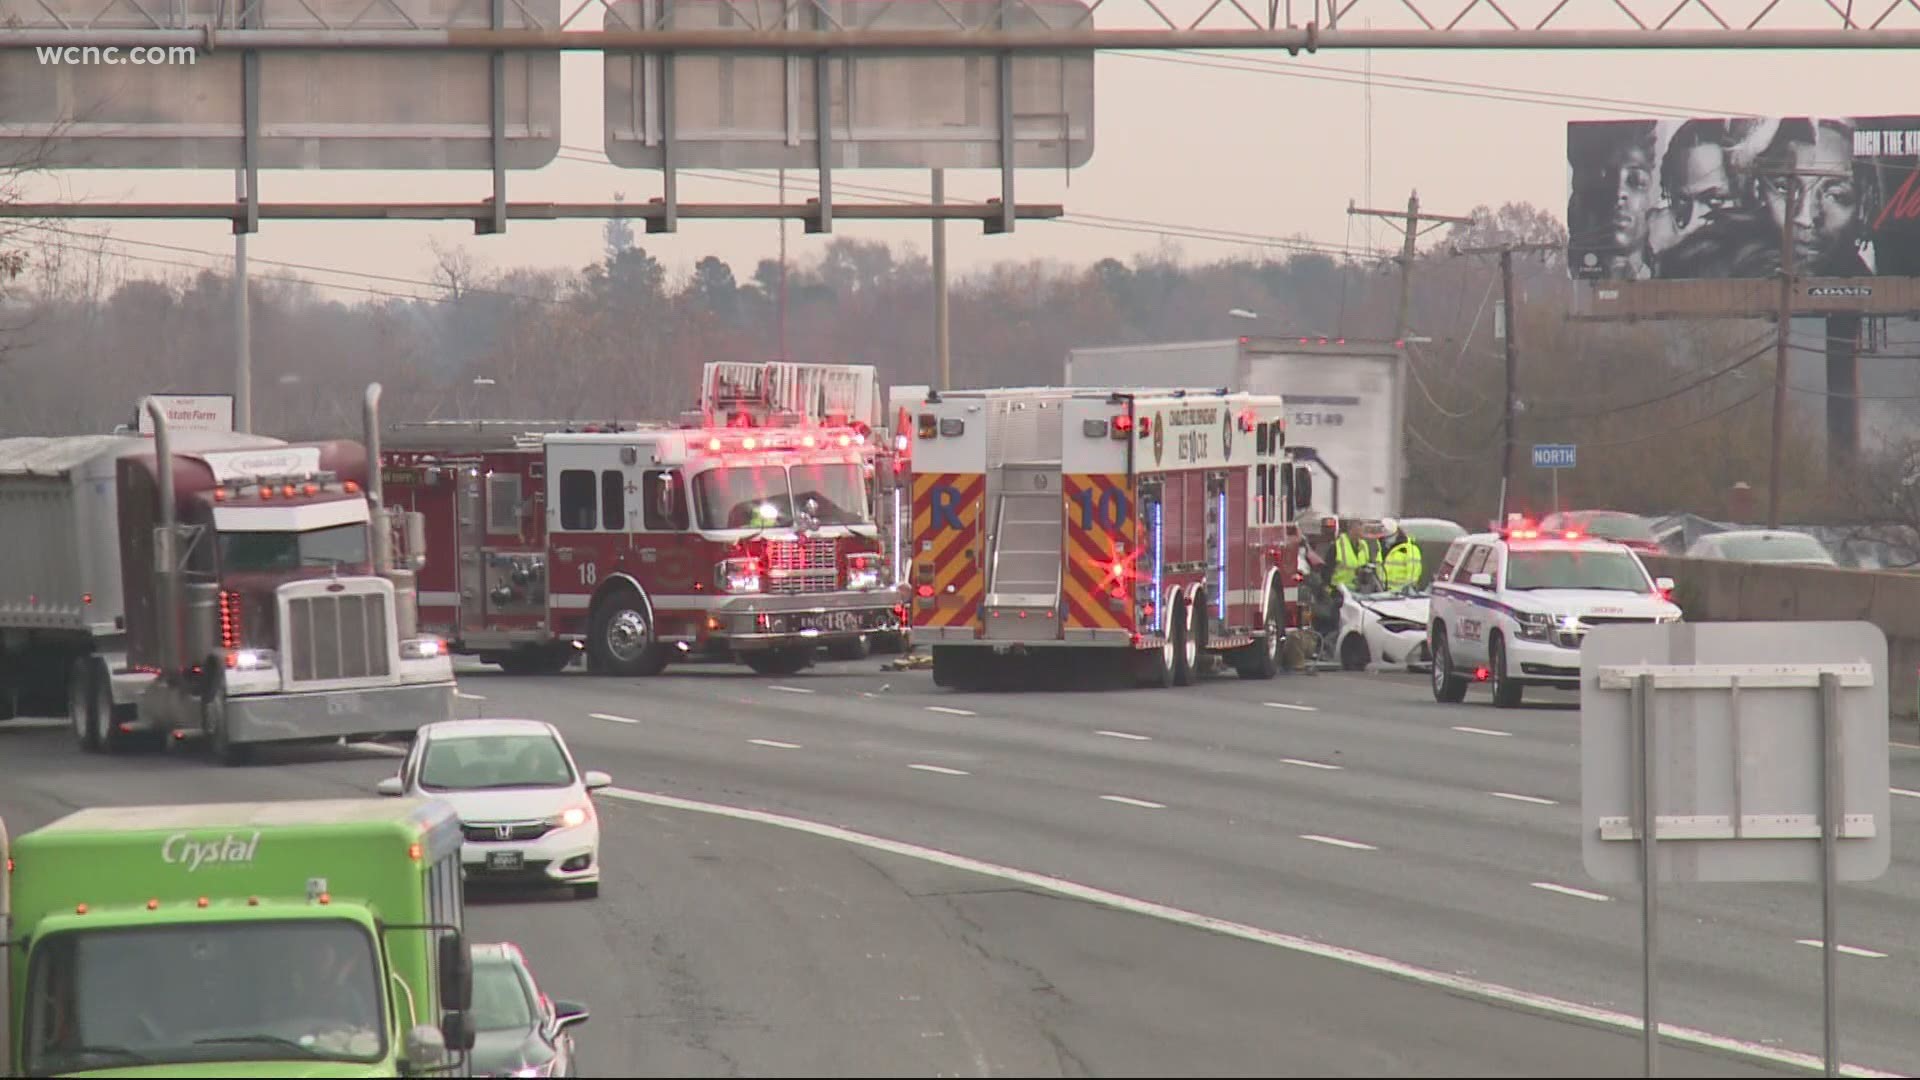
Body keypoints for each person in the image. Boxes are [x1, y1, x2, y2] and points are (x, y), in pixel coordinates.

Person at [1330, 518, 1377, 591]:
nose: (1363, 527)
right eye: (1360, 524)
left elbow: (1367, 567)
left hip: (1359, 591)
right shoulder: (1338, 545)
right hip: (1340, 591)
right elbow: (1327, 572)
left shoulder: (1364, 545)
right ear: (1351, 526)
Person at [1381, 519, 1424, 591]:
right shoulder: (1382, 547)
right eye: (1384, 538)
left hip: (1399, 594)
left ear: (1396, 533)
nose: (1385, 540)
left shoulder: (1410, 549)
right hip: (1381, 593)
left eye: (1388, 537)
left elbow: (1412, 576)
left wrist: (1405, 591)